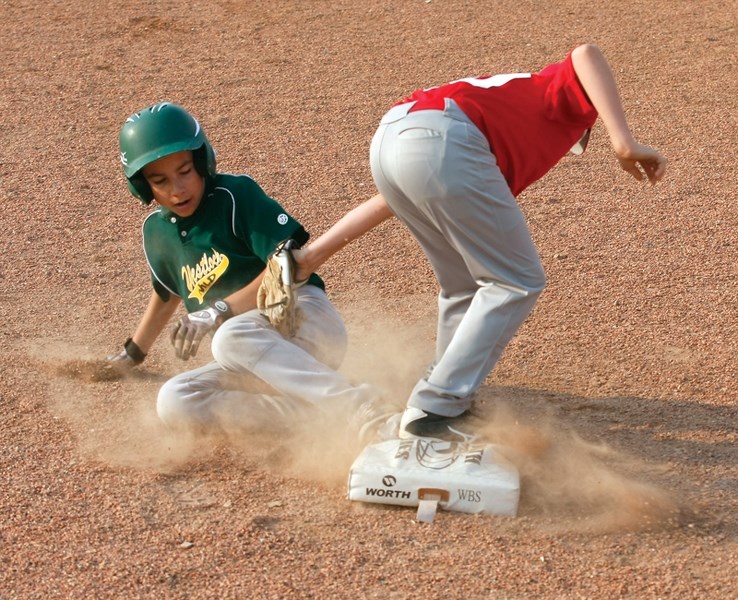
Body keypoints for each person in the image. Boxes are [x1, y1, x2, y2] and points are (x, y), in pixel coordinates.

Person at [293, 44, 667, 442]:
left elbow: (407, 182)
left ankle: (447, 399)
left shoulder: (503, 119)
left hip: (394, 142)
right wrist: (623, 141)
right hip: (447, 139)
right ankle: (435, 407)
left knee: (465, 286)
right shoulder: (548, 93)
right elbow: (586, 55)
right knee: (516, 279)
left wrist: (314, 255)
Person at [108, 102, 392, 442]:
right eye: (159, 180)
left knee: (229, 336)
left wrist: (218, 311)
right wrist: (133, 354)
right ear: (142, 186)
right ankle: (317, 419)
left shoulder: (234, 195)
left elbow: (284, 267)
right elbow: (165, 293)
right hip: (252, 357)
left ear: (202, 162)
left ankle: (362, 409)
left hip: (304, 321)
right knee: (175, 399)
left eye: (185, 171)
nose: (177, 188)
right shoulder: (156, 233)